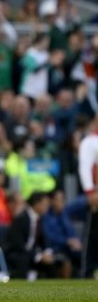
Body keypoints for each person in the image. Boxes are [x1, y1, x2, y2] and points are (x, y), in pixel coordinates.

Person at [3, 191, 56, 280]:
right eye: (45, 204)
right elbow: (18, 244)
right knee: (23, 260)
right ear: (37, 203)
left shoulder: (40, 219)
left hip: (31, 253)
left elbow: (43, 240)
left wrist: (47, 252)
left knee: (53, 261)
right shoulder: (21, 218)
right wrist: (38, 256)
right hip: (16, 253)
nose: (47, 207)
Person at [42, 189, 82, 278]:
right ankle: (65, 287)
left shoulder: (64, 215)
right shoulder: (46, 216)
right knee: (65, 261)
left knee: (84, 252)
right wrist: (66, 241)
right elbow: (48, 237)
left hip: (67, 248)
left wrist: (76, 241)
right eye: (58, 200)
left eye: (62, 200)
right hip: (53, 248)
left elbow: (71, 231)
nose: (61, 203)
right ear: (52, 201)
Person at [78, 117, 98, 278]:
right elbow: (85, 166)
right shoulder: (90, 142)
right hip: (97, 193)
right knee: (93, 234)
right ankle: (88, 270)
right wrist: (90, 191)